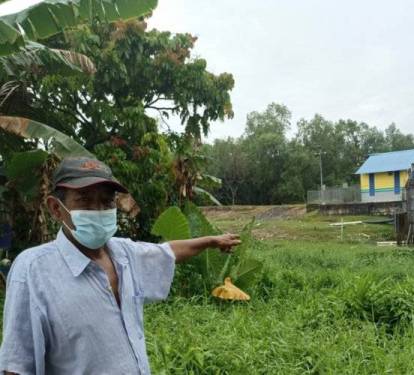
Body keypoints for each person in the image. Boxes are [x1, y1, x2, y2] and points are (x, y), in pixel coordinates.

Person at [0, 157, 240, 374]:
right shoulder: (33, 270)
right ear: (56, 209)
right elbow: (17, 364)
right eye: (84, 200)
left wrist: (210, 241)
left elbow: (167, 252)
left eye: (106, 202)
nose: (98, 210)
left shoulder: (123, 253)